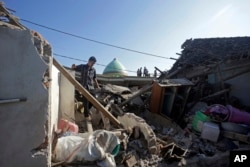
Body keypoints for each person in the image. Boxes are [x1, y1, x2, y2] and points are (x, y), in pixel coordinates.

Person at [72, 56, 100, 120]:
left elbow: (94, 78)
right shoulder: (83, 66)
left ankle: (87, 110)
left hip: (91, 87)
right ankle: (86, 115)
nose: (93, 65)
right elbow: (74, 68)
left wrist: (97, 86)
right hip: (84, 86)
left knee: (93, 100)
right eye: (92, 63)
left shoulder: (93, 69)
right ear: (89, 61)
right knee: (86, 100)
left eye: (94, 64)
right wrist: (73, 66)